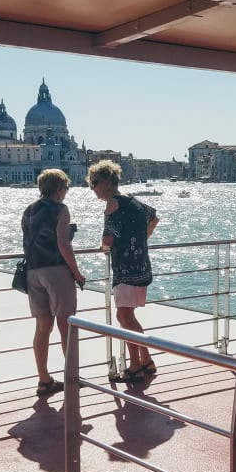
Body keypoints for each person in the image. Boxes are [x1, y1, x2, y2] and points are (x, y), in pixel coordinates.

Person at [88, 160, 159, 385]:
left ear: (108, 182)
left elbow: (107, 240)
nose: (93, 188)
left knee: (124, 317)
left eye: (95, 183)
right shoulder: (134, 201)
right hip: (142, 266)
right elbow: (154, 218)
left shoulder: (113, 204)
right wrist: (140, 241)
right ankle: (145, 360)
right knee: (127, 316)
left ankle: (136, 367)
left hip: (125, 269)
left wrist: (105, 247)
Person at [21, 168, 86, 396]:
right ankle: (72, 378)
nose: (66, 193)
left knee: (42, 328)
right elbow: (62, 244)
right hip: (56, 271)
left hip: (33, 272)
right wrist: (77, 273)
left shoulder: (29, 210)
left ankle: (44, 379)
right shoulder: (60, 209)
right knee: (66, 326)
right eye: (66, 188)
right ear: (59, 189)